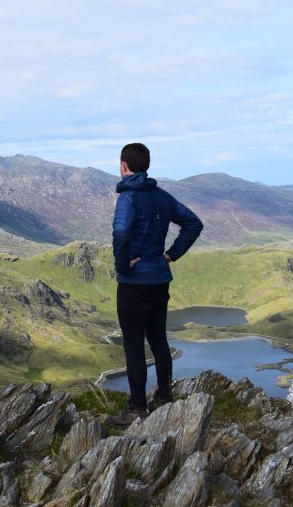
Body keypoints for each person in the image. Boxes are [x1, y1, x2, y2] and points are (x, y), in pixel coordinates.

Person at [106, 143, 203, 426]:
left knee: (134, 346)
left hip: (134, 284)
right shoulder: (162, 197)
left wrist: (123, 265)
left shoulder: (128, 198)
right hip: (159, 280)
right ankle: (164, 397)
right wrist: (171, 255)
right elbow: (194, 224)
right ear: (146, 165)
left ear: (124, 166)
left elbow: (122, 231)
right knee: (159, 339)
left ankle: (136, 408)